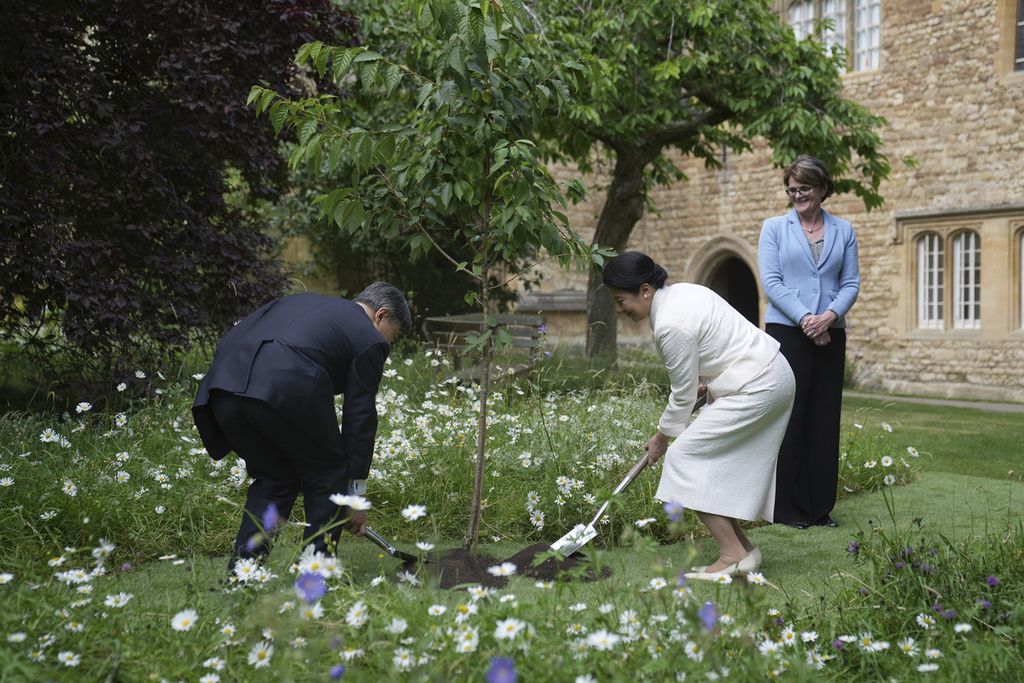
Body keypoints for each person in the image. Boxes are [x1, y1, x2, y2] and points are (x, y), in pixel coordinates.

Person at [602, 252, 795, 580]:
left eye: (621, 300)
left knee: (685, 458)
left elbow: (682, 395)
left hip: (758, 385)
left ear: (645, 290)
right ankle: (743, 551)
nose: (620, 309)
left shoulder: (670, 325)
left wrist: (662, 439)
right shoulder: (685, 292)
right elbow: (717, 351)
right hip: (769, 374)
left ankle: (732, 554)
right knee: (710, 463)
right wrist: (706, 388)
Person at [191, 283, 411, 566]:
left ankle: (243, 572)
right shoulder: (369, 336)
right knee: (329, 475)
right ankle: (317, 572)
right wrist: (354, 498)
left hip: (223, 388)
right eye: (393, 338)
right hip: (282, 385)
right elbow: (360, 418)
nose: (388, 346)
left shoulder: (303, 303)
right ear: (381, 315)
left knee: (275, 478)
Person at [757, 154, 860, 529]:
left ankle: (820, 509)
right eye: (791, 189)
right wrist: (806, 319)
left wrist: (829, 317)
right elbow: (772, 282)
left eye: (803, 188)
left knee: (824, 416)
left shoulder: (844, 231)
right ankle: (788, 508)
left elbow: (851, 283)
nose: (797, 195)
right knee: (791, 416)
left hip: (832, 331)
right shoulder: (773, 228)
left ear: (821, 189)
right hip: (788, 331)